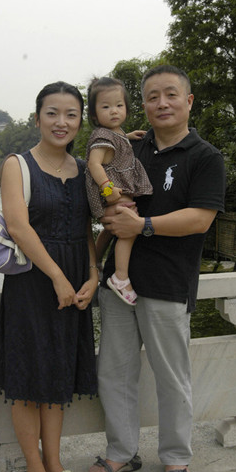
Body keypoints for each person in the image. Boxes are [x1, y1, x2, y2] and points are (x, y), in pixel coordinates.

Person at [87, 65, 226, 472]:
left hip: (168, 284)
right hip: (119, 283)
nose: (161, 103)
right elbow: (108, 205)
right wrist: (94, 262)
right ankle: (121, 452)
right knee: (114, 370)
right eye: (151, 97)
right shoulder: (132, 150)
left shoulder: (205, 157)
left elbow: (199, 219)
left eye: (170, 95)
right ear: (141, 107)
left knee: (172, 376)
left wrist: (141, 226)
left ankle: (176, 459)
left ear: (188, 102)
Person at [0, 81, 99, 472]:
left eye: (71, 114)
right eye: (52, 113)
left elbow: (86, 232)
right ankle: (33, 468)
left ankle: (54, 463)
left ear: (80, 122)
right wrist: (57, 276)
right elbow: (18, 226)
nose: (61, 122)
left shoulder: (82, 168)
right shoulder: (17, 165)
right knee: (28, 379)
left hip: (75, 282)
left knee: (58, 373)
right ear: (37, 118)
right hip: (33, 283)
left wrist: (92, 274)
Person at [85, 77, 152, 305]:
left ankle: (93, 260)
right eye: (106, 107)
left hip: (116, 193)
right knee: (128, 230)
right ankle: (120, 277)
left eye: (119, 105)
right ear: (94, 115)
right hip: (113, 194)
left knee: (112, 229)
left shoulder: (114, 134)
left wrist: (128, 136)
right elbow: (94, 164)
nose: (114, 111)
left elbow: (117, 143)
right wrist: (107, 188)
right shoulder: (103, 138)